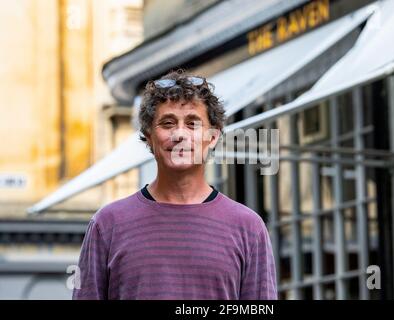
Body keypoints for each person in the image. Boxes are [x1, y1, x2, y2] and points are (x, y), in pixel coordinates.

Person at [72, 69, 278, 300]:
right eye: (168, 123)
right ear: (149, 135)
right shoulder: (107, 225)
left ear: (213, 137)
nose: (180, 134)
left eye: (192, 124)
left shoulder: (248, 228)